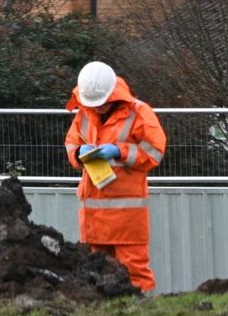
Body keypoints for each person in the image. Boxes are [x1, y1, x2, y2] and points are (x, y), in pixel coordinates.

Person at [64, 61, 167, 293]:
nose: (98, 108)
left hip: (126, 217)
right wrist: (77, 154)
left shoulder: (139, 112)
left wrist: (119, 151)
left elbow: (154, 151)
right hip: (94, 216)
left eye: (102, 104)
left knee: (134, 272)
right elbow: (72, 142)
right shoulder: (85, 112)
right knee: (96, 270)